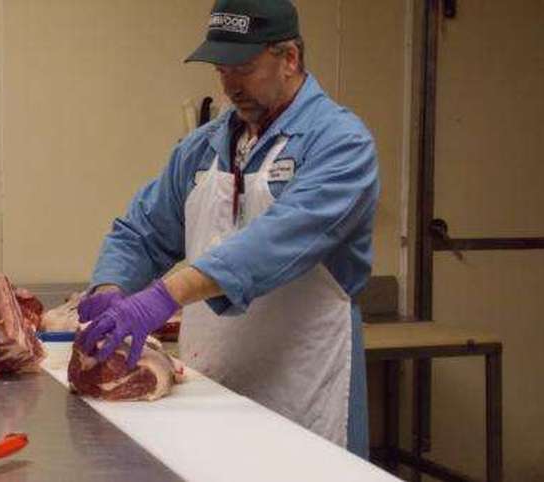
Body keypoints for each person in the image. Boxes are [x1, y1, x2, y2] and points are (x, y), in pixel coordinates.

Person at [77, 0, 379, 458]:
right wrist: (111, 286)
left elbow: (275, 241)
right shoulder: (203, 148)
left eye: (244, 67)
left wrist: (163, 296)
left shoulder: (341, 144)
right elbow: (142, 231)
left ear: (290, 58)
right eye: (221, 69)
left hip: (303, 391)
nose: (230, 84)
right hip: (210, 391)